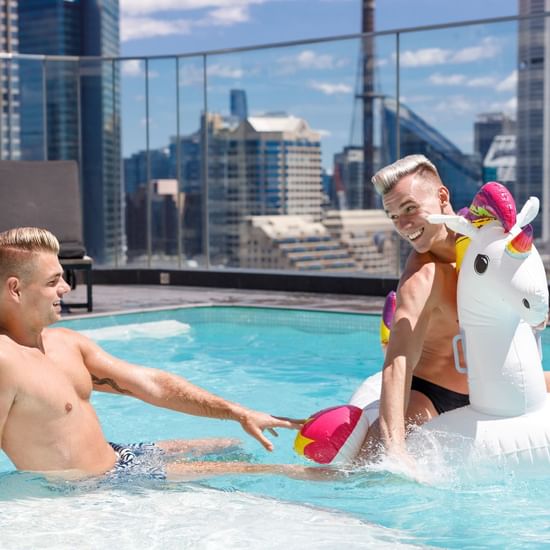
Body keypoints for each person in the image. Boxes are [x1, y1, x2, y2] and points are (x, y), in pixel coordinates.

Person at [0, 227, 307, 481]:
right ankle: (348, 476)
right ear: (15, 289)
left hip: (120, 453)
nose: (66, 288)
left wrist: (239, 412)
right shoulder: (6, 360)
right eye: (53, 281)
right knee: (278, 470)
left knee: (230, 444)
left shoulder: (65, 343)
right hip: (100, 484)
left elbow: (152, 385)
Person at [360, 154, 470, 461]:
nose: (403, 226)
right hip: (432, 395)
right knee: (368, 466)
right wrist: (394, 448)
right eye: (393, 216)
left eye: (409, 209)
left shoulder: (478, 243)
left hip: (489, 384)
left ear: (442, 196)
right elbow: (398, 362)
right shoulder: (421, 275)